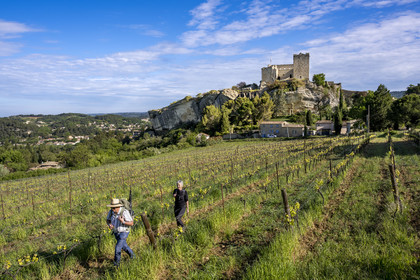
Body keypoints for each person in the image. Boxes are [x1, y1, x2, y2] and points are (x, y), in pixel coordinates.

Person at [106, 198, 135, 267]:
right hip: (116, 232)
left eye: (114, 208)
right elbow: (107, 220)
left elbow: (131, 223)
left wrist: (123, 222)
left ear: (118, 206)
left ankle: (116, 266)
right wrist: (109, 225)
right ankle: (133, 257)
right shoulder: (111, 212)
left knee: (117, 248)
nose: (113, 209)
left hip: (124, 232)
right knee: (124, 247)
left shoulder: (124, 212)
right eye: (112, 207)